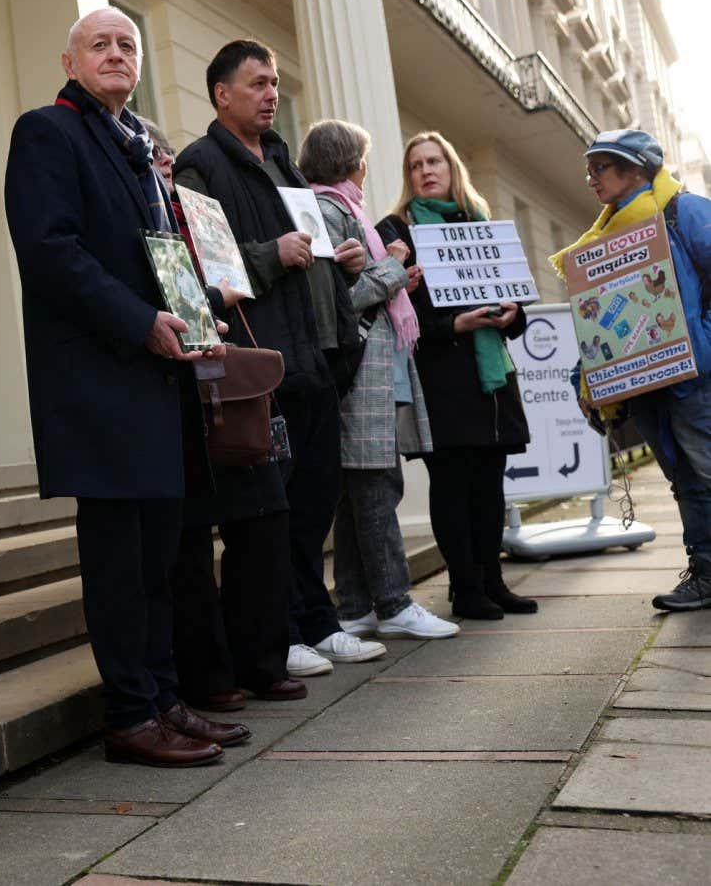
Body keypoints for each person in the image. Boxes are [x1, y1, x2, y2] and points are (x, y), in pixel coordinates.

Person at [4, 7, 247, 767]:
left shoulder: (138, 144)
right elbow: (50, 250)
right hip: (100, 380)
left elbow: (157, 251)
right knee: (119, 561)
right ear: (70, 62)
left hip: (158, 375)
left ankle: (166, 698)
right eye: (100, 44)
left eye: (127, 46)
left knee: (163, 557)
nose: (117, 54)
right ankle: (130, 715)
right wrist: (140, 319)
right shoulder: (48, 131)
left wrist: (194, 309)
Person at [173, 40, 387, 676]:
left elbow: (308, 251)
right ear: (222, 94)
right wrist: (272, 255)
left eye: (273, 84)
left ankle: (316, 623)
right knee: (267, 513)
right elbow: (201, 263)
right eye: (258, 84)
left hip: (317, 359)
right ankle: (278, 631)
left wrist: (341, 262)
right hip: (262, 366)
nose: (271, 94)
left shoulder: (285, 162)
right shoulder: (200, 165)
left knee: (313, 503)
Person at [140, 115, 306, 709]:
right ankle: (210, 678)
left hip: (230, 384)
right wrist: (216, 297)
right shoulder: (137, 223)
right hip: (171, 391)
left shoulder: (198, 216)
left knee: (265, 517)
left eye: (162, 159)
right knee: (188, 545)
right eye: (151, 161)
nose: (160, 169)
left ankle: (262, 660)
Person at [298, 120, 459, 639]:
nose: (366, 170)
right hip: (361, 376)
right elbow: (338, 304)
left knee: (359, 492)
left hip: (373, 372)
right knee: (376, 489)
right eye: (363, 159)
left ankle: (355, 605)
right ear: (352, 163)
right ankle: (394, 604)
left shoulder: (343, 208)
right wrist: (392, 268)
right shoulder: (328, 209)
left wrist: (394, 281)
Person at [377, 132, 536, 619]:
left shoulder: (481, 223)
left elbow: (518, 306)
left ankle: (493, 581)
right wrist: (454, 325)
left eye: (434, 161)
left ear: (452, 168)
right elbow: (397, 317)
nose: (426, 171)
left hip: (491, 379)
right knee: (452, 483)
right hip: (439, 377)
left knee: (490, 483)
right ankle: (466, 590)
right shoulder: (395, 231)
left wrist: (512, 315)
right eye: (416, 165)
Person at [553, 129, 711, 612]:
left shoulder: (685, 212)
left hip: (695, 376)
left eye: (599, 167)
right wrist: (589, 374)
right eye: (590, 169)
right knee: (684, 476)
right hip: (643, 384)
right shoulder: (600, 239)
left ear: (637, 169)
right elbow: (597, 316)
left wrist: (703, 343)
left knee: (706, 469)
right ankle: (705, 571)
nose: (590, 179)